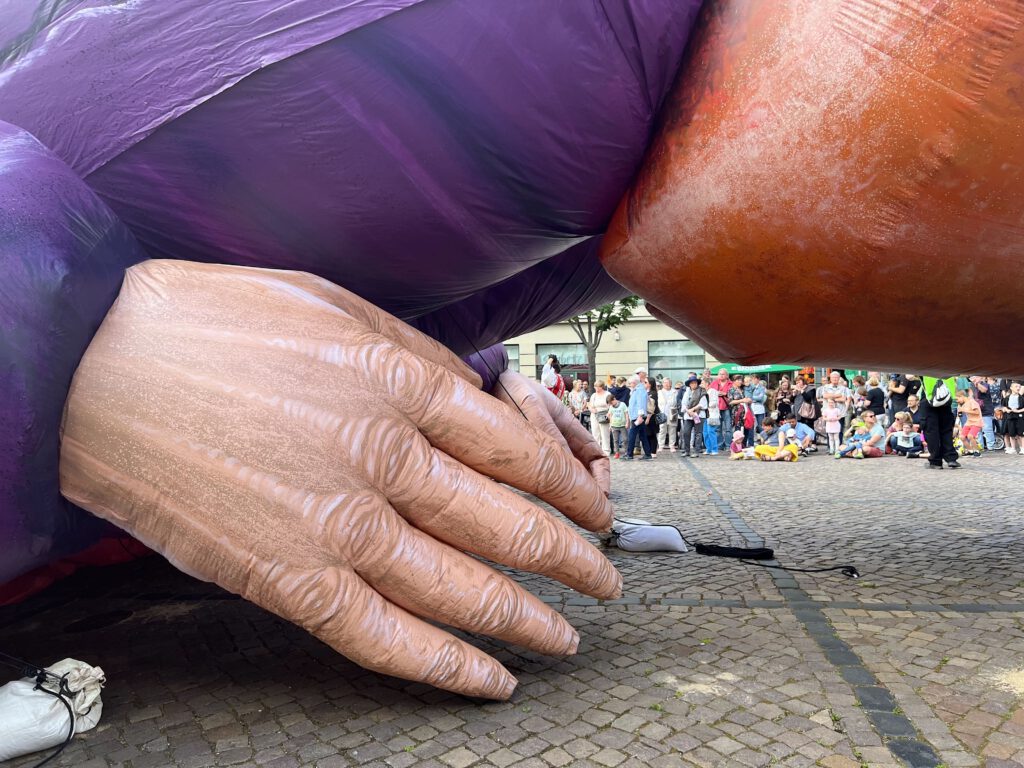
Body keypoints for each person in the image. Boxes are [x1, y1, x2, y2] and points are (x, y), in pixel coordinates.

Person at [919, 375, 961, 469]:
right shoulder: (948, 365)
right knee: (946, 430)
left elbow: (909, 376)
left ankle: (935, 461)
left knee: (931, 432)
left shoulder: (924, 366)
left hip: (929, 398)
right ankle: (951, 458)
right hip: (946, 397)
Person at [624, 372, 652, 460]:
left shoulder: (639, 390)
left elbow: (641, 403)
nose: (630, 384)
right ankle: (647, 454)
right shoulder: (637, 389)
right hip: (637, 416)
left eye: (631, 383)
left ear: (635, 382)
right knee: (643, 435)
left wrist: (640, 416)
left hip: (638, 416)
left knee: (632, 435)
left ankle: (629, 454)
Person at [679, 375, 707, 457]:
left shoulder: (702, 391)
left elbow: (703, 404)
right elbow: (683, 404)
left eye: (695, 383)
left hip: (699, 414)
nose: (693, 384)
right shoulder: (687, 392)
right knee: (686, 432)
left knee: (698, 433)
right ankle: (687, 450)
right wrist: (688, 411)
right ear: (689, 384)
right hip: (688, 415)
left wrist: (693, 409)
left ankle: (696, 451)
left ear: (697, 383)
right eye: (691, 383)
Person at [818, 371, 851, 437]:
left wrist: (831, 398)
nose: (835, 379)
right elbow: (825, 396)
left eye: (836, 377)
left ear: (839, 378)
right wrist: (838, 395)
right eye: (833, 377)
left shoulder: (843, 388)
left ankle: (840, 445)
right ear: (830, 378)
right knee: (829, 430)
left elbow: (843, 399)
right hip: (828, 412)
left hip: (840, 412)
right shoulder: (825, 387)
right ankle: (830, 446)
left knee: (840, 430)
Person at [708, 369, 733, 446]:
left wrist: (725, 394)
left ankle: (728, 445)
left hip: (726, 408)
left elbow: (734, 395)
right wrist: (716, 394)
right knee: (718, 428)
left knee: (728, 429)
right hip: (716, 409)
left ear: (727, 376)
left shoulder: (731, 384)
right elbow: (709, 393)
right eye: (720, 374)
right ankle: (719, 445)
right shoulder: (714, 383)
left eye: (723, 374)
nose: (721, 376)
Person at [972, 377, 998, 451]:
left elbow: (984, 390)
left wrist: (977, 383)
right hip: (975, 411)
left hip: (986, 410)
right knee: (977, 430)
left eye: (976, 377)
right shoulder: (971, 385)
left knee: (987, 429)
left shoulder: (985, 384)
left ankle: (991, 447)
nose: (974, 378)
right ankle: (980, 447)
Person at [956, 389, 983, 457]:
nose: (957, 401)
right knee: (962, 437)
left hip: (976, 422)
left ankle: (977, 451)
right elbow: (960, 414)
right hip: (969, 422)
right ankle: (970, 450)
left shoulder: (972, 402)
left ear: (962, 396)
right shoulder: (963, 404)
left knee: (970, 436)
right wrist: (959, 411)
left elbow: (977, 412)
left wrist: (964, 410)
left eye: (957, 399)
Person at [1002, 381, 1024, 455]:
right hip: (1010, 417)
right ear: (1011, 388)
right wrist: (1007, 410)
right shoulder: (1007, 398)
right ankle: (1013, 448)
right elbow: (1004, 407)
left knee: (1020, 434)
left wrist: (1018, 411)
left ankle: (1022, 448)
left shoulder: (1021, 398)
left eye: (1019, 387)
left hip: (1019, 417)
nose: (1018, 388)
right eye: (1016, 387)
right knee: (1011, 433)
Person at [589, 382, 612, 454]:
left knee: (605, 433)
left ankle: (606, 450)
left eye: (597, 387)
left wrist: (609, 414)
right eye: (595, 386)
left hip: (604, 414)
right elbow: (589, 405)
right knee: (595, 432)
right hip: (594, 415)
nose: (596, 388)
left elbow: (611, 405)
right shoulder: (594, 395)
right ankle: (596, 450)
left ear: (601, 387)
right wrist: (591, 409)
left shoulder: (607, 394)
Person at [657, 377, 678, 452]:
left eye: (668, 382)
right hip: (662, 413)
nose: (666, 384)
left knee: (672, 430)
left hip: (672, 413)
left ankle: (672, 445)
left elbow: (677, 402)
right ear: (662, 384)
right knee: (662, 430)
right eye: (665, 382)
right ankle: (661, 445)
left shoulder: (675, 392)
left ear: (670, 384)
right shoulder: (659, 392)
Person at [747, 374, 768, 442]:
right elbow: (747, 396)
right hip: (751, 407)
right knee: (751, 425)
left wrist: (752, 398)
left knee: (760, 425)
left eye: (754, 379)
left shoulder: (762, 388)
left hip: (759, 408)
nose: (752, 380)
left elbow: (761, 398)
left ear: (758, 379)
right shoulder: (749, 387)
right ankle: (752, 440)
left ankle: (764, 439)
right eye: (752, 379)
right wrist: (754, 398)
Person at [644, 378, 661, 457]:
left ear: (650, 384)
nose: (644, 383)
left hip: (652, 416)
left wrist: (648, 417)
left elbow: (652, 407)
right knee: (648, 434)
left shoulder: (653, 393)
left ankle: (653, 451)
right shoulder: (647, 392)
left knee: (652, 434)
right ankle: (650, 450)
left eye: (645, 382)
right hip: (647, 415)